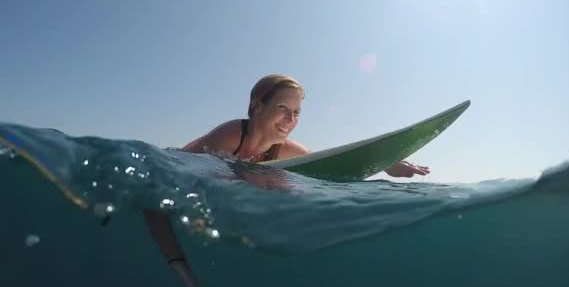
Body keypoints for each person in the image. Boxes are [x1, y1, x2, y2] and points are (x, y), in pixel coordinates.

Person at [182, 74, 430, 178]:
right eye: (282, 108)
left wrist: (387, 164)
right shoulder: (233, 134)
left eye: (297, 112)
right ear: (258, 107)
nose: (291, 120)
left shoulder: (285, 150)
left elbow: (331, 163)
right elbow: (176, 167)